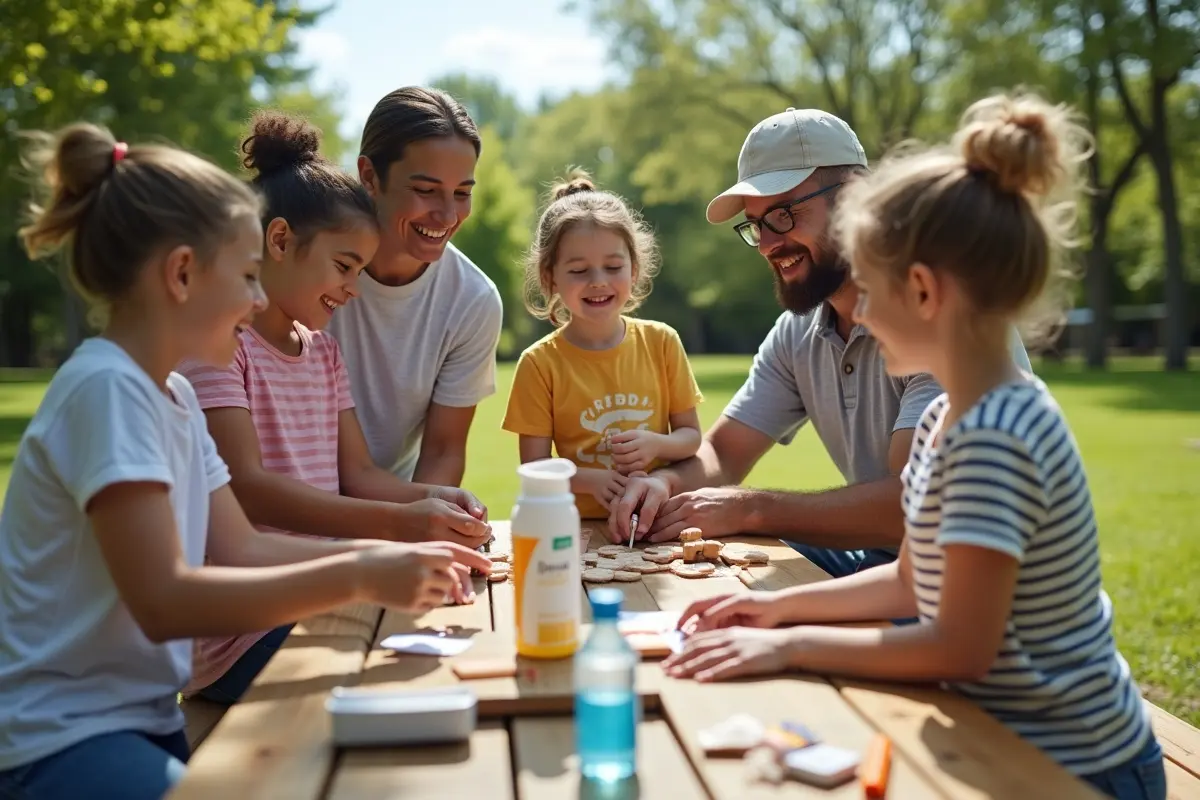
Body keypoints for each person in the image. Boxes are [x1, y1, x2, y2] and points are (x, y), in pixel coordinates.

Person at [663, 91, 1166, 800]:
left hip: (1073, 766)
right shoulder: (943, 420)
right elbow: (909, 580)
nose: (857, 312)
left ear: (923, 291)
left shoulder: (995, 434)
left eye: (870, 288)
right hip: (994, 729)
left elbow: (959, 645)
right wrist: (776, 610)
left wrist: (789, 643)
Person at [0, 122, 491, 800]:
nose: (260, 301)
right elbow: (166, 599)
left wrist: (389, 553)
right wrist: (360, 572)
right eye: (248, 276)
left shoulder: (168, 392)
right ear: (181, 274)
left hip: (133, 724)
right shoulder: (107, 390)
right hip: (57, 741)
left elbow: (241, 546)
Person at [611, 106, 1032, 572]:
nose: (769, 244)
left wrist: (750, 507)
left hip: (954, 587)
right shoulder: (799, 331)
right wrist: (664, 486)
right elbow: (724, 452)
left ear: (854, 196)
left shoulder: (934, 315)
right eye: (756, 225)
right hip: (891, 570)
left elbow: (909, 508)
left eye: (785, 215)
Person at [177, 112, 492, 707]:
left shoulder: (321, 351)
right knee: (398, 690)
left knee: (443, 660)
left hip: (321, 595)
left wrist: (434, 503)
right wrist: (397, 529)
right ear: (278, 241)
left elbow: (362, 476)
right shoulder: (222, 349)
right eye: (345, 267)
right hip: (246, 630)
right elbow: (246, 486)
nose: (353, 288)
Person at [328, 86, 503, 489]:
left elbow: (444, 451)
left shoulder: (473, 301)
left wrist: (417, 525)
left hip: (394, 503)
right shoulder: (310, 269)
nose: (446, 215)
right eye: (425, 190)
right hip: (296, 507)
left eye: (462, 193)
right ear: (369, 176)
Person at [501, 171, 703, 520]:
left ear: (634, 269)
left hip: (655, 523)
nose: (598, 282)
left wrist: (657, 444)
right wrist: (588, 480)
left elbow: (691, 437)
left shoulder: (662, 342)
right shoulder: (539, 364)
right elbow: (534, 466)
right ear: (550, 278)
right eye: (579, 271)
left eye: (613, 267)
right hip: (576, 531)